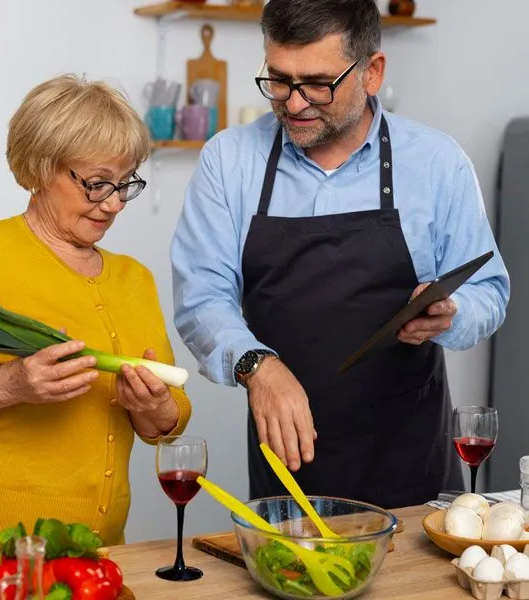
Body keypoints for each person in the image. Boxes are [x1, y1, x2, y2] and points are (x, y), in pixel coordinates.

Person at [170, 0, 509, 509]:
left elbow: (490, 291)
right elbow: (202, 297)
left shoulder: (437, 163)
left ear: (372, 72)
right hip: (289, 472)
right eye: (279, 80)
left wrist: (450, 313)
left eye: (317, 83)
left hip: (410, 466)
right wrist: (257, 366)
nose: (296, 102)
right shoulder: (229, 160)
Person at [0, 74, 192, 570]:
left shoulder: (135, 278)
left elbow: (168, 415)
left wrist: (153, 408)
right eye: (97, 182)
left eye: (125, 182)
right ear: (43, 168)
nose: (113, 203)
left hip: (93, 547)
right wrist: (11, 383)